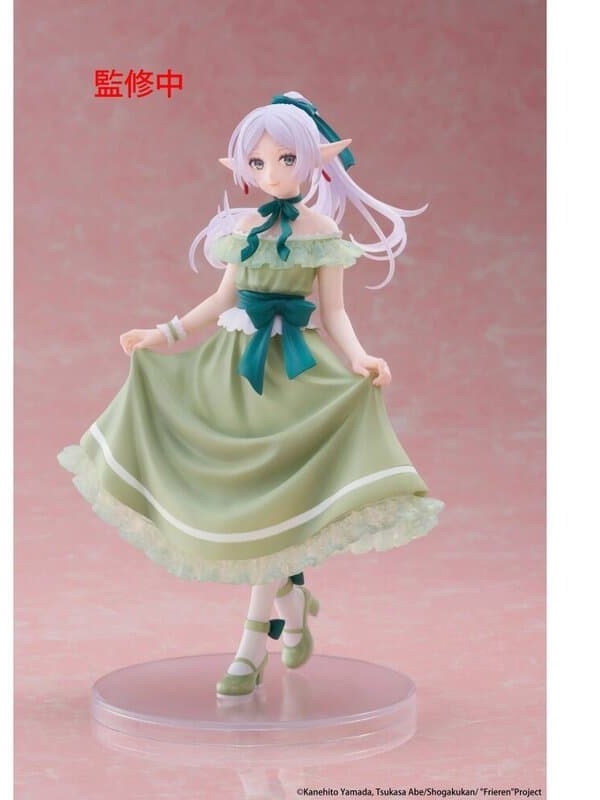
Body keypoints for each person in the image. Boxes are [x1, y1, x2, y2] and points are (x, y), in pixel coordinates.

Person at [58, 91, 445, 699]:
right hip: (233, 371)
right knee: (247, 504)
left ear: (314, 160)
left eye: (286, 160)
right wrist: (163, 333)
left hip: (296, 377)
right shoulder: (243, 229)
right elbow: (220, 300)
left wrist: (360, 357)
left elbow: (335, 312)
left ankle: (250, 646)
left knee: (277, 504)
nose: (272, 174)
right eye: (258, 163)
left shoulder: (323, 233)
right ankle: (293, 606)